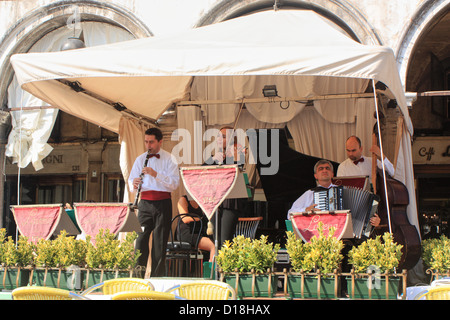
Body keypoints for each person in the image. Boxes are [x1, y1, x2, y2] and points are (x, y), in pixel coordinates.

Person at [128, 127, 179, 277]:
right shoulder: (140, 159)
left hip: (162, 203)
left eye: (151, 142)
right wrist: (134, 183)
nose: (148, 145)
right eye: (146, 142)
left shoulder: (170, 159)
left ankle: (157, 278)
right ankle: (138, 277)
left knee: (159, 242)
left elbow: (174, 184)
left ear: (160, 142)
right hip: (144, 204)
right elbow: (131, 181)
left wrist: (155, 174)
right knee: (141, 240)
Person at [287, 159, 380, 227]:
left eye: (327, 168)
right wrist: (306, 210)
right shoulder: (310, 193)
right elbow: (289, 214)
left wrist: (375, 219)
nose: (324, 170)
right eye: (321, 169)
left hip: (344, 235)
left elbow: (366, 210)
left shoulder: (344, 191)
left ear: (332, 174)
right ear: (315, 176)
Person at [205, 126, 247, 248]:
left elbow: (237, 169)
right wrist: (213, 160)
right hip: (215, 201)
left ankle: (224, 266)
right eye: (218, 136)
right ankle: (218, 265)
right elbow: (201, 170)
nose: (219, 139)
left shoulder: (237, 152)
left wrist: (232, 157)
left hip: (230, 201)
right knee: (216, 240)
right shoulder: (215, 156)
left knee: (225, 241)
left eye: (223, 137)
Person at [177, 195, 215, 262]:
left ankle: (208, 265)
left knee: (217, 241)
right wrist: (200, 219)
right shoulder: (183, 200)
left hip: (198, 232)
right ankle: (211, 270)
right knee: (213, 245)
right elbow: (185, 219)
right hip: (187, 233)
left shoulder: (200, 200)